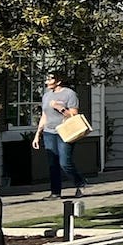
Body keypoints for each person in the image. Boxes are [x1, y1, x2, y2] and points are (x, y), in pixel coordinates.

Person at [32, 69, 86, 197]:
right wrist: (37, 134)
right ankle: (55, 192)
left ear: (59, 81)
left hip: (65, 132)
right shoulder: (46, 95)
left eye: (50, 79)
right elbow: (44, 115)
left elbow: (74, 115)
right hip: (49, 132)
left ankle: (80, 182)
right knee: (52, 164)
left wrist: (59, 108)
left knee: (64, 162)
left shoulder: (69, 94)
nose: (47, 82)